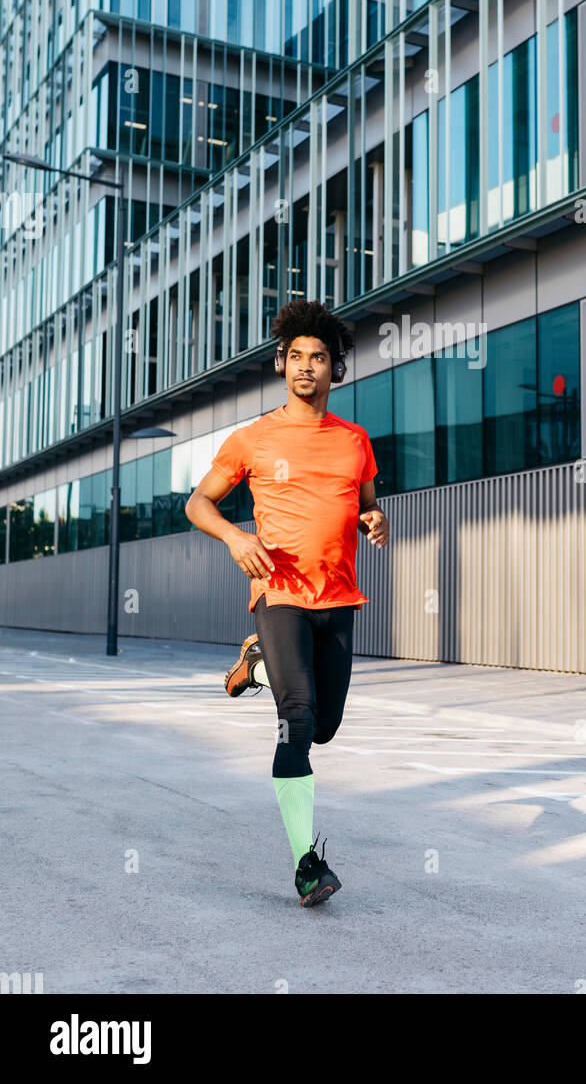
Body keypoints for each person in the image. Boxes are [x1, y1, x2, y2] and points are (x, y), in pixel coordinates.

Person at [185, 299, 389, 906]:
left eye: (319, 358)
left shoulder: (355, 442)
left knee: (325, 728)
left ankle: (259, 663)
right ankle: (307, 864)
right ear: (281, 364)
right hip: (279, 593)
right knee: (296, 719)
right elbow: (198, 503)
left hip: (339, 599)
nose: (306, 366)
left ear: (336, 370)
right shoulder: (252, 439)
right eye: (296, 356)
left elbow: (369, 501)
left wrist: (375, 519)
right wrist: (234, 537)